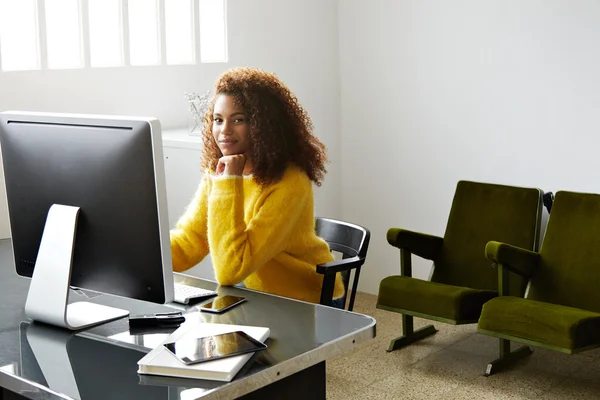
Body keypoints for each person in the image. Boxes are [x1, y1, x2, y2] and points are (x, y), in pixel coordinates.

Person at [170, 67, 344, 305]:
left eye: (238, 120)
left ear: (263, 125)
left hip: (306, 301)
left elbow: (230, 270)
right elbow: (189, 241)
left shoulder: (289, 181)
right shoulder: (220, 172)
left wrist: (229, 183)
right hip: (254, 293)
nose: (224, 131)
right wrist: (140, 258)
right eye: (218, 120)